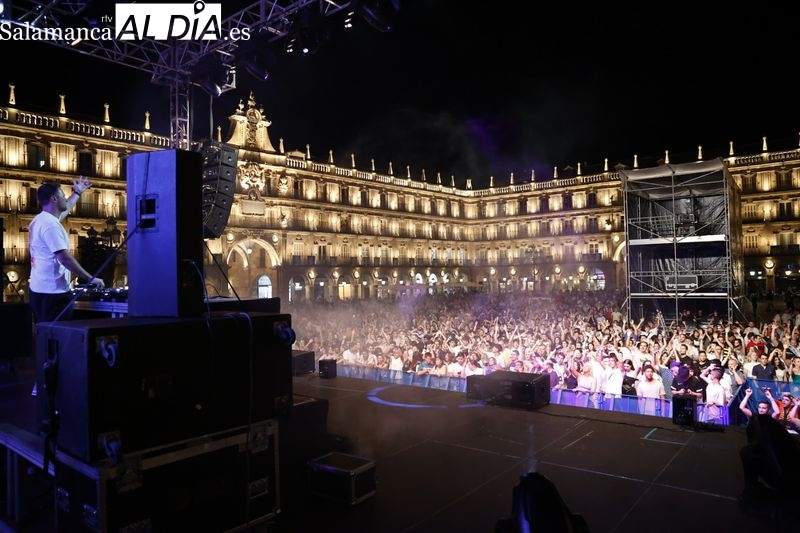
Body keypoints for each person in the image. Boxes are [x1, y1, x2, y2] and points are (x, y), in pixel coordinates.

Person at [28, 177, 105, 324]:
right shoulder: (50, 225)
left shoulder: (41, 219)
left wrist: (77, 192)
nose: (65, 198)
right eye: (63, 196)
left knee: (45, 335)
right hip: (53, 294)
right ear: (54, 199)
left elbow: (66, 207)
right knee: (57, 338)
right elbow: (64, 258)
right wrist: (90, 278)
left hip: (40, 290)